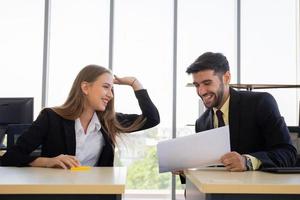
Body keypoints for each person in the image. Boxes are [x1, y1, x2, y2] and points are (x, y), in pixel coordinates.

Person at [1, 65, 160, 168]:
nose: (110, 95)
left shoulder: (109, 121)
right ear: (85, 87)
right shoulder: (50, 117)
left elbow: (152, 118)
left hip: (94, 193)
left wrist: (134, 83)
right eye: (106, 87)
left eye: (112, 89)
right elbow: (10, 157)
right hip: (57, 193)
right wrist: (47, 162)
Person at [177, 52, 296, 182]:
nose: (201, 91)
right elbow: (211, 169)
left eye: (207, 83)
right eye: (197, 85)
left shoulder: (260, 103)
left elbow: (287, 153)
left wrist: (247, 161)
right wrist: (186, 171)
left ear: (226, 78)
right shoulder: (202, 123)